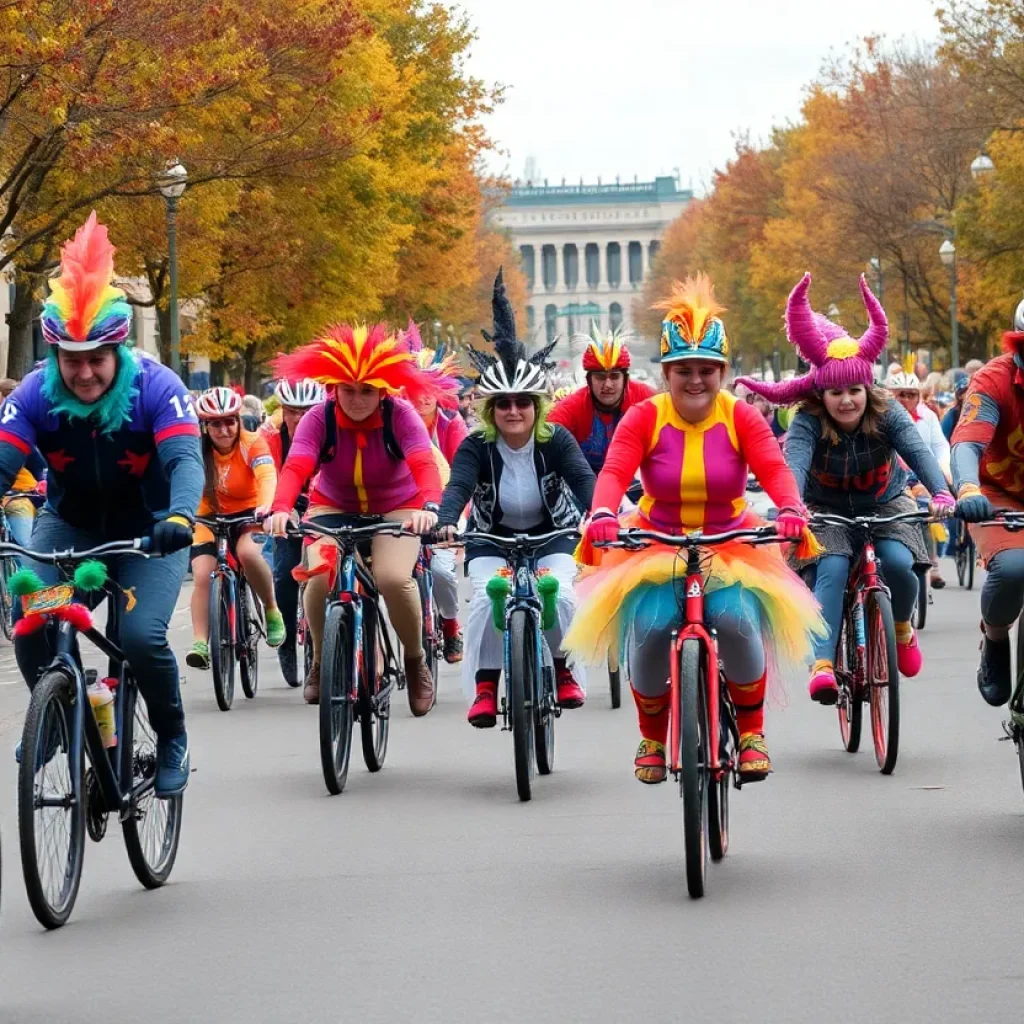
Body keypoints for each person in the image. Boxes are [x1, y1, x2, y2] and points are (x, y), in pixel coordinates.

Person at [568, 274, 824, 784]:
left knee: (737, 621)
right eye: (683, 370)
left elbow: (774, 469)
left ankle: (751, 732)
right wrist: (601, 513)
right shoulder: (643, 416)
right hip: (655, 538)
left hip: (730, 540)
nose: (695, 380)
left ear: (723, 372)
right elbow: (615, 470)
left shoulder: (741, 417)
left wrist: (791, 507)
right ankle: (650, 736)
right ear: (666, 373)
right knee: (648, 629)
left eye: (706, 370)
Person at [0, 213, 202, 796]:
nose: (84, 372)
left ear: (116, 353)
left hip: (151, 533)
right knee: (34, 615)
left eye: (96, 359)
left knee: (139, 638)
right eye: (72, 360)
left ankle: (171, 736)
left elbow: (185, 461)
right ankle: (59, 715)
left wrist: (181, 518)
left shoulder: (158, 387)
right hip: (70, 528)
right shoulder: (38, 390)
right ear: (55, 355)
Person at [738, 274, 954, 704]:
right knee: (833, 567)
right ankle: (822, 663)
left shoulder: (888, 411)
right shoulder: (806, 421)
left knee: (898, 563)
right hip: (826, 507)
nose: (847, 400)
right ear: (822, 393)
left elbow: (917, 452)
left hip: (885, 501)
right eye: (836, 391)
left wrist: (942, 492)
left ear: (866, 389)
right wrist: (791, 508)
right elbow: (793, 467)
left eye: (854, 390)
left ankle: (902, 628)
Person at [265, 322, 444, 714]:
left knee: (394, 579)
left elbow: (423, 464)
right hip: (333, 505)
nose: (357, 400)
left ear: (382, 390)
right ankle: (319, 663)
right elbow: (295, 467)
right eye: (348, 390)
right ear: (333, 388)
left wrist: (431, 508)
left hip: (398, 506)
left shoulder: (401, 416)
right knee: (316, 580)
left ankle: (415, 661)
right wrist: (280, 508)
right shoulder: (318, 418)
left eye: (367, 391)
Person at [440, 269, 593, 726]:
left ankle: (564, 671)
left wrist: (604, 515)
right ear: (491, 410)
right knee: (490, 597)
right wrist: (447, 519)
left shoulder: (557, 440)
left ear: (536, 407)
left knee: (561, 596)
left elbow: (585, 481)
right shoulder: (475, 446)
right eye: (503, 404)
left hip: (554, 535)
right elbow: (459, 486)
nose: (513, 411)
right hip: (492, 538)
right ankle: (487, 686)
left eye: (522, 402)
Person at [952, 299, 1024, 706]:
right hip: (998, 496)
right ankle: (996, 639)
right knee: (1015, 568)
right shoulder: (994, 381)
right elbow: (967, 442)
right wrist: (967, 489)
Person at [185, 387, 285, 669]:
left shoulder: (253, 442)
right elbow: (180, 479)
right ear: (205, 426)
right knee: (203, 573)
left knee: (249, 554)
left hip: (250, 511)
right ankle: (200, 643)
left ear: (239, 420)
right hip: (208, 515)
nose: (224, 429)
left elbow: (267, 477)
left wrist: (266, 508)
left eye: (230, 421)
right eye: (215, 423)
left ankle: (271, 608)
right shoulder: (195, 447)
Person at [400, 323, 469, 663]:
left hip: (445, 507)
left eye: (432, 388)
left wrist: (455, 516)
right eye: (418, 388)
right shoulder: (394, 420)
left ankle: (451, 625)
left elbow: (463, 473)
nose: (425, 396)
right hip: (403, 508)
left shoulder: (450, 423)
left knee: (442, 571)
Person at [259, 378, 326, 685]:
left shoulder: (330, 431)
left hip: (322, 503)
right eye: (291, 411)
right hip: (285, 505)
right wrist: (276, 509)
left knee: (323, 572)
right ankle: (287, 642)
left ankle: (321, 640)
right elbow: (268, 476)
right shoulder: (270, 437)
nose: (298, 418)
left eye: (307, 411)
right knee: (285, 571)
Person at [548, 326, 656, 477]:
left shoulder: (648, 399)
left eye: (614, 376)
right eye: (600, 377)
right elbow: (546, 436)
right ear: (589, 380)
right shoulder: (573, 406)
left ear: (625, 378)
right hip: (588, 483)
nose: (608, 385)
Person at [885, 371, 951, 587]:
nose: (905, 399)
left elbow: (939, 447)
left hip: (918, 475)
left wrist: (942, 473)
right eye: (900, 394)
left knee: (925, 512)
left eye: (911, 395)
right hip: (889, 477)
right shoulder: (880, 415)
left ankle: (932, 564)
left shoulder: (928, 417)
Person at [0, 378, 47, 553]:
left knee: (26, 549)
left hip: (19, 498)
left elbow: (39, 465)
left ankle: (29, 565)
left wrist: (42, 482)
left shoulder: (14, 431)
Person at [942, 372, 970, 442]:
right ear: (959, 396)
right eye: (968, 391)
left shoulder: (980, 412)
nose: (972, 393)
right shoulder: (952, 414)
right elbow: (942, 440)